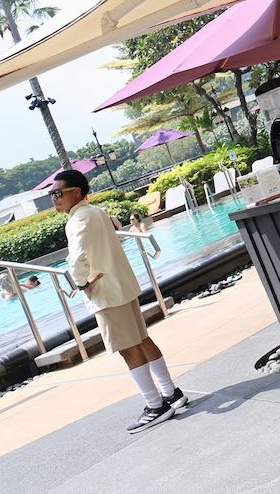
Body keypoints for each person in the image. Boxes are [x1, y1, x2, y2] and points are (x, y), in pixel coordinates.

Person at [53, 170, 187, 433]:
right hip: (122, 286)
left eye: (58, 193)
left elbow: (77, 257)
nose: (54, 199)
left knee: (127, 348)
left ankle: (155, 405)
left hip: (105, 291)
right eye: (52, 194)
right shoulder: (97, 212)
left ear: (75, 192)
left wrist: (81, 283)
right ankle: (171, 393)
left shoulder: (78, 219)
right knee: (141, 339)